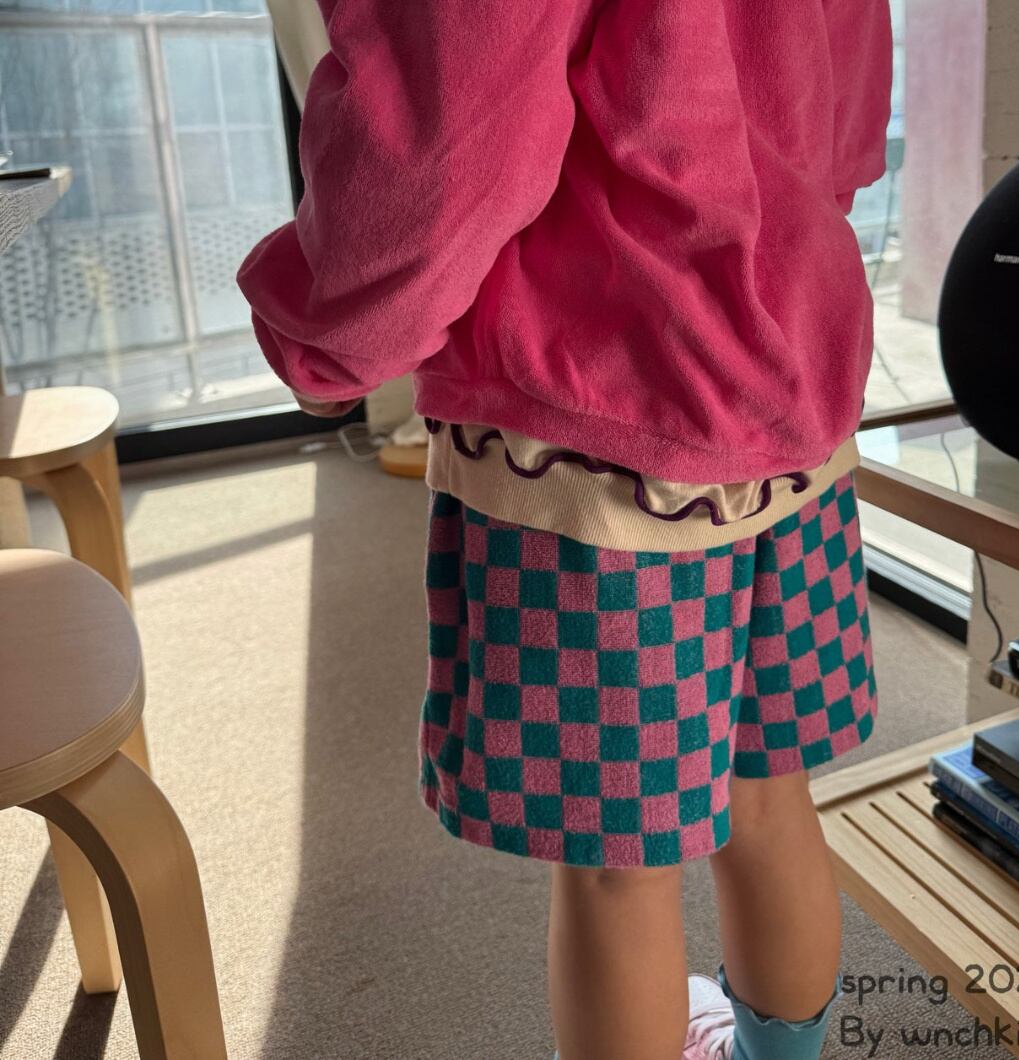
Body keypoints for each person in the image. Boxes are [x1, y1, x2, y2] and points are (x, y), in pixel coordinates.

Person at [237, 1, 893, 1057]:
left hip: (599, 397)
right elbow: (847, 104)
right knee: (768, 792)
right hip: (788, 357)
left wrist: (334, 332)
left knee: (617, 866)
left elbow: (451, 132)